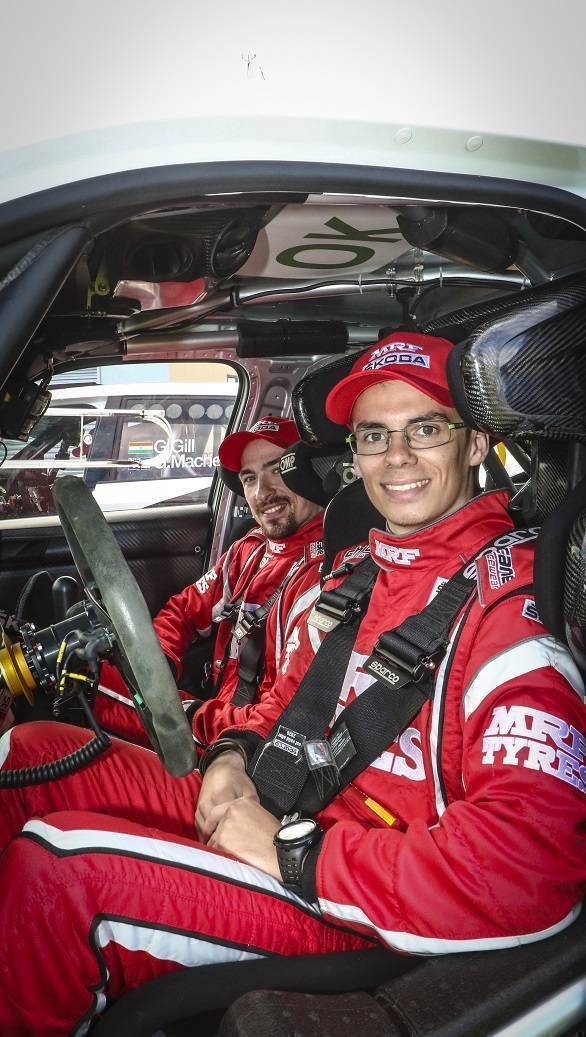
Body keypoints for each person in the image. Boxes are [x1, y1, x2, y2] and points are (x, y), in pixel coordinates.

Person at [0, 333, 584, 1037]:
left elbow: (524, 873)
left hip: (357, 905)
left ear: (474, 443)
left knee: (57, 872)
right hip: (282, 805)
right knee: (29, 753)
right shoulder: (361, 569)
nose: (396, 456)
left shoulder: (512, 617)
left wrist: (290, 851)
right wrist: (231, 758)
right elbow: (287, 700)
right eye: (375, 435)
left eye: (423, 428)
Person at [94, 415, 325, 747]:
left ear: (311, 473)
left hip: (241, 751)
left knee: (54, 719)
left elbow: (282, 720)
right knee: (87, 671)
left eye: (277, 470)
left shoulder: (327, 574)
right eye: (249, 478)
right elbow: (184, 610)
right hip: (214, 714)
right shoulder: (250, 550)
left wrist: (188, 714)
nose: (263, 493)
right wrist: (155, 668)